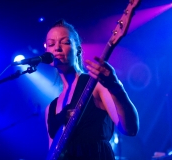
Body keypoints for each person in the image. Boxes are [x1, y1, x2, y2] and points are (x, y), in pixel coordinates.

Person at [44, 19, 139, 160]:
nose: (56, 48)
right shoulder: (50, 109)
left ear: (78, 50)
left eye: (65, 42)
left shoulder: (95, 85)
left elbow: (129, 129)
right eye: (51, 44)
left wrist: (116, 88)